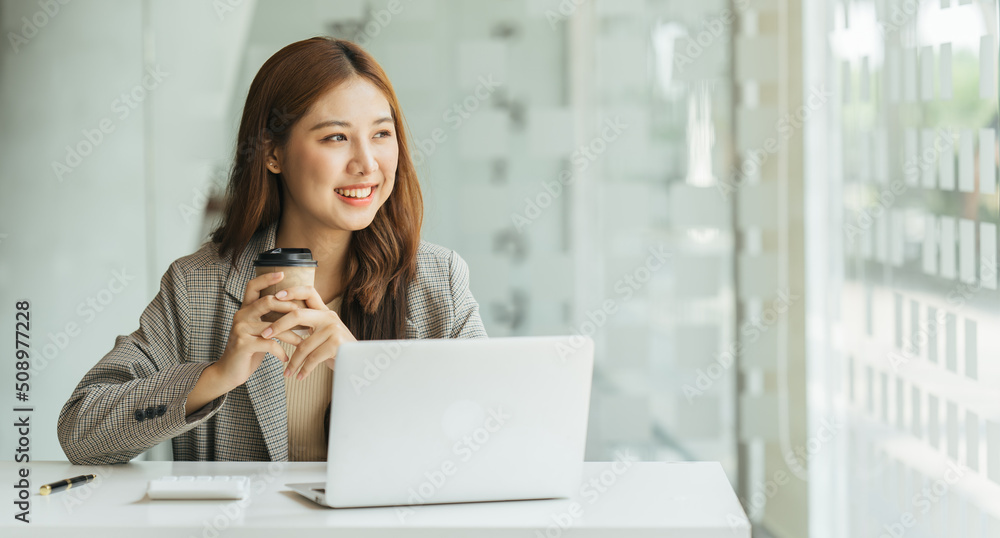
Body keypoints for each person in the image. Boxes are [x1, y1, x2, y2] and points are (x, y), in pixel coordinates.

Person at [57, 37, 488, 465]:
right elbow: (80, 430)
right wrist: (216, 376)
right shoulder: (197, 285)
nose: (367, 162)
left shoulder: (436, 280)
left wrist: (364, 369)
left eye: (381, 134)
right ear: (272, 153)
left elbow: (488, 434)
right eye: (336, 137)